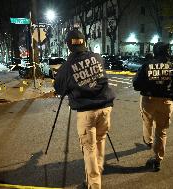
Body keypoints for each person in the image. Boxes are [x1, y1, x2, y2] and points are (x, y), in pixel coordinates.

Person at [54, 29, 115, 189]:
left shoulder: (67, 67)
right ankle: (97, 172)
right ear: (84, 42)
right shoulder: (97, 57)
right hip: (105, 108)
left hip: (87, 112)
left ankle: (94, 184)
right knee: (100, 142)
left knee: (89, 149)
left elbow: (59, 88)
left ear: (69, 46)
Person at [132, 42, 173, 171]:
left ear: (155, 52)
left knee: (147, 121)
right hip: (166, 102)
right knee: (161, 131)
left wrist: (148, 86)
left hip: (148, 100)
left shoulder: (147, 66)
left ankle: (148, 140)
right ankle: (157, 159)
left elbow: (136, 84)